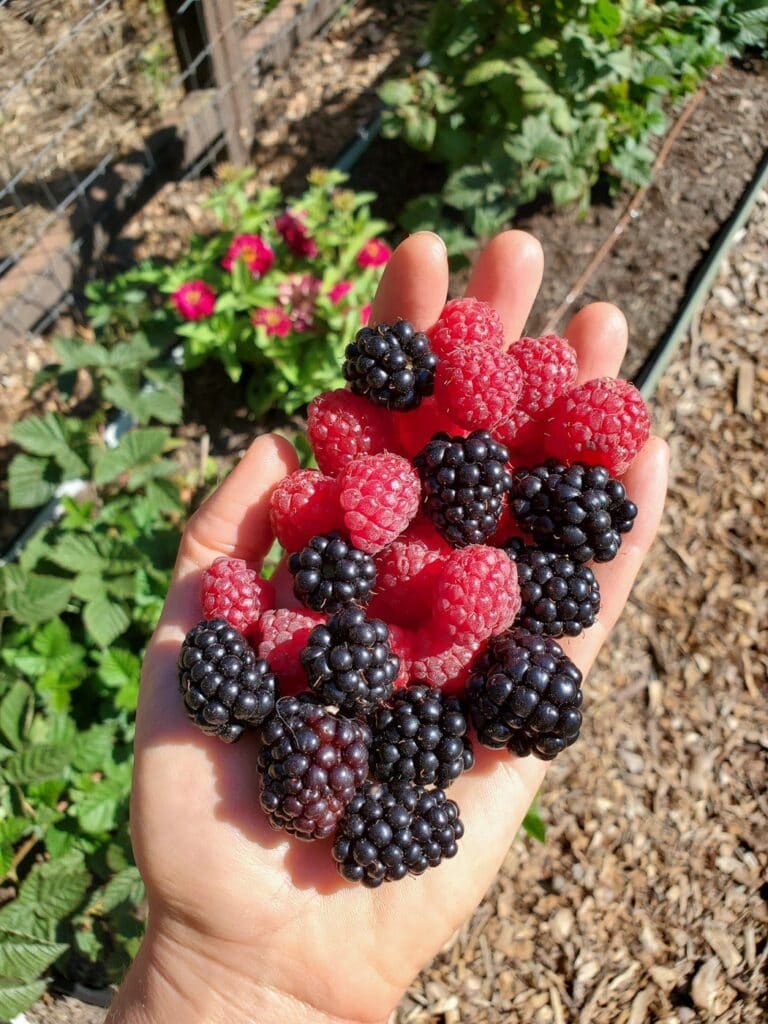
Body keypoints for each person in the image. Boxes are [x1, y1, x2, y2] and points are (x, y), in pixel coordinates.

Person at [106, 230, 669, 1024]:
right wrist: (214, 966)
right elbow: (367, 579)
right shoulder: (355, 618)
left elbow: (463, 592)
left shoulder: (466, 577)